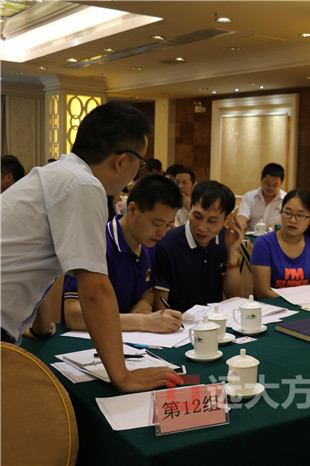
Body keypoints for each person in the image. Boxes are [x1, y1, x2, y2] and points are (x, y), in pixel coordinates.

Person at [1, 102, 180, 392]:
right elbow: (95, 290)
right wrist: (123, 376)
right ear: (121, 161)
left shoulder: (58, 174)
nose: (137, 173)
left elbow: (38, 262)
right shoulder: (83, 185)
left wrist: (41, 326)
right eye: (140, 163)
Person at [62, 175, 184, 333]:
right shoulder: (95, 243)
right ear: (132, 209)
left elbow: (147, 291)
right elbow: (73, 316)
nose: (162, 232)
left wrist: (145, 303)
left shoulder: (148, 245)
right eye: (157, 224)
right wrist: (143, 321)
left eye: (168, 225)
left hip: (128, 339)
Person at [153, 180, 244, 312]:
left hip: (214, 319)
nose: (202, 227)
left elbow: (233, 296)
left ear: (227, 219)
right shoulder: (166, 244)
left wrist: (231, 252)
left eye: (212, 221)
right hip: (179, 320)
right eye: (197, 216)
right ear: (190, 208)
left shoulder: (225, 239)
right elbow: (160, 305)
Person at [250, 189, 310, 298]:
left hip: (304, 306)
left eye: (300, 215)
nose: (292, 220)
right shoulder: (264, 244)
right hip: (271, 307)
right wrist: (296, 301)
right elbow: (263, 293)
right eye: (288, 213)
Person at [236, 162, 286, 232]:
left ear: (281, 184)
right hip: (252, 236)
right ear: (261, 178)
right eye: (267, 184)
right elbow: (242, 215)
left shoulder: (287, 200)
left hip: (275, 236)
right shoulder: (249, 197)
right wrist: (241, 223)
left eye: (275, 185)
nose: (270, 188)